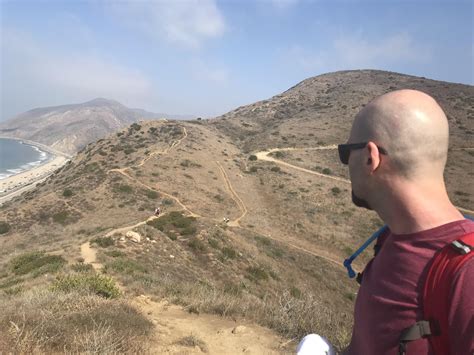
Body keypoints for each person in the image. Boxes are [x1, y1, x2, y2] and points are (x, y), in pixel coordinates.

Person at [339, 89, 474, 354]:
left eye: (345, 153)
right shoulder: (387, 238)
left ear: (370, 157)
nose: (345, 164)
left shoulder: (467, 275)